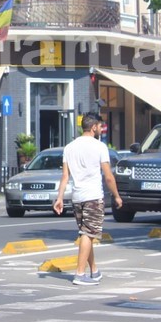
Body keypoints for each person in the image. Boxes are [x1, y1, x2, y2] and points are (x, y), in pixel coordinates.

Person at [54, 112, 122, 286]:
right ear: (93, 127)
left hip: (77, 197)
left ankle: (94, 270)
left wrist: (60, 198)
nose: (101, 129)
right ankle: (79, 274)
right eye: (100, 126)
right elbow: (108, 176)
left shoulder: (69, 147)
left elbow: (64, 176)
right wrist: (116, 196)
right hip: (93, 196)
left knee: (87, 234)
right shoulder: (99, 147)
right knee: (87, 234)